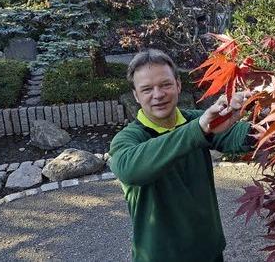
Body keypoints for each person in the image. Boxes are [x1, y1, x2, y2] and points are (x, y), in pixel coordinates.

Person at [108, 49, 255, 262]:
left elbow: (235, 136)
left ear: (178, 85)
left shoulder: (198, 121)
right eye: (147, 89)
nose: (158, 95)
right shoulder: (128, 139)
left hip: (209, 252)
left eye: (165, 85)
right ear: (136, 96)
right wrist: (198, 130)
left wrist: (271, 118)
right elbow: (129, 170)